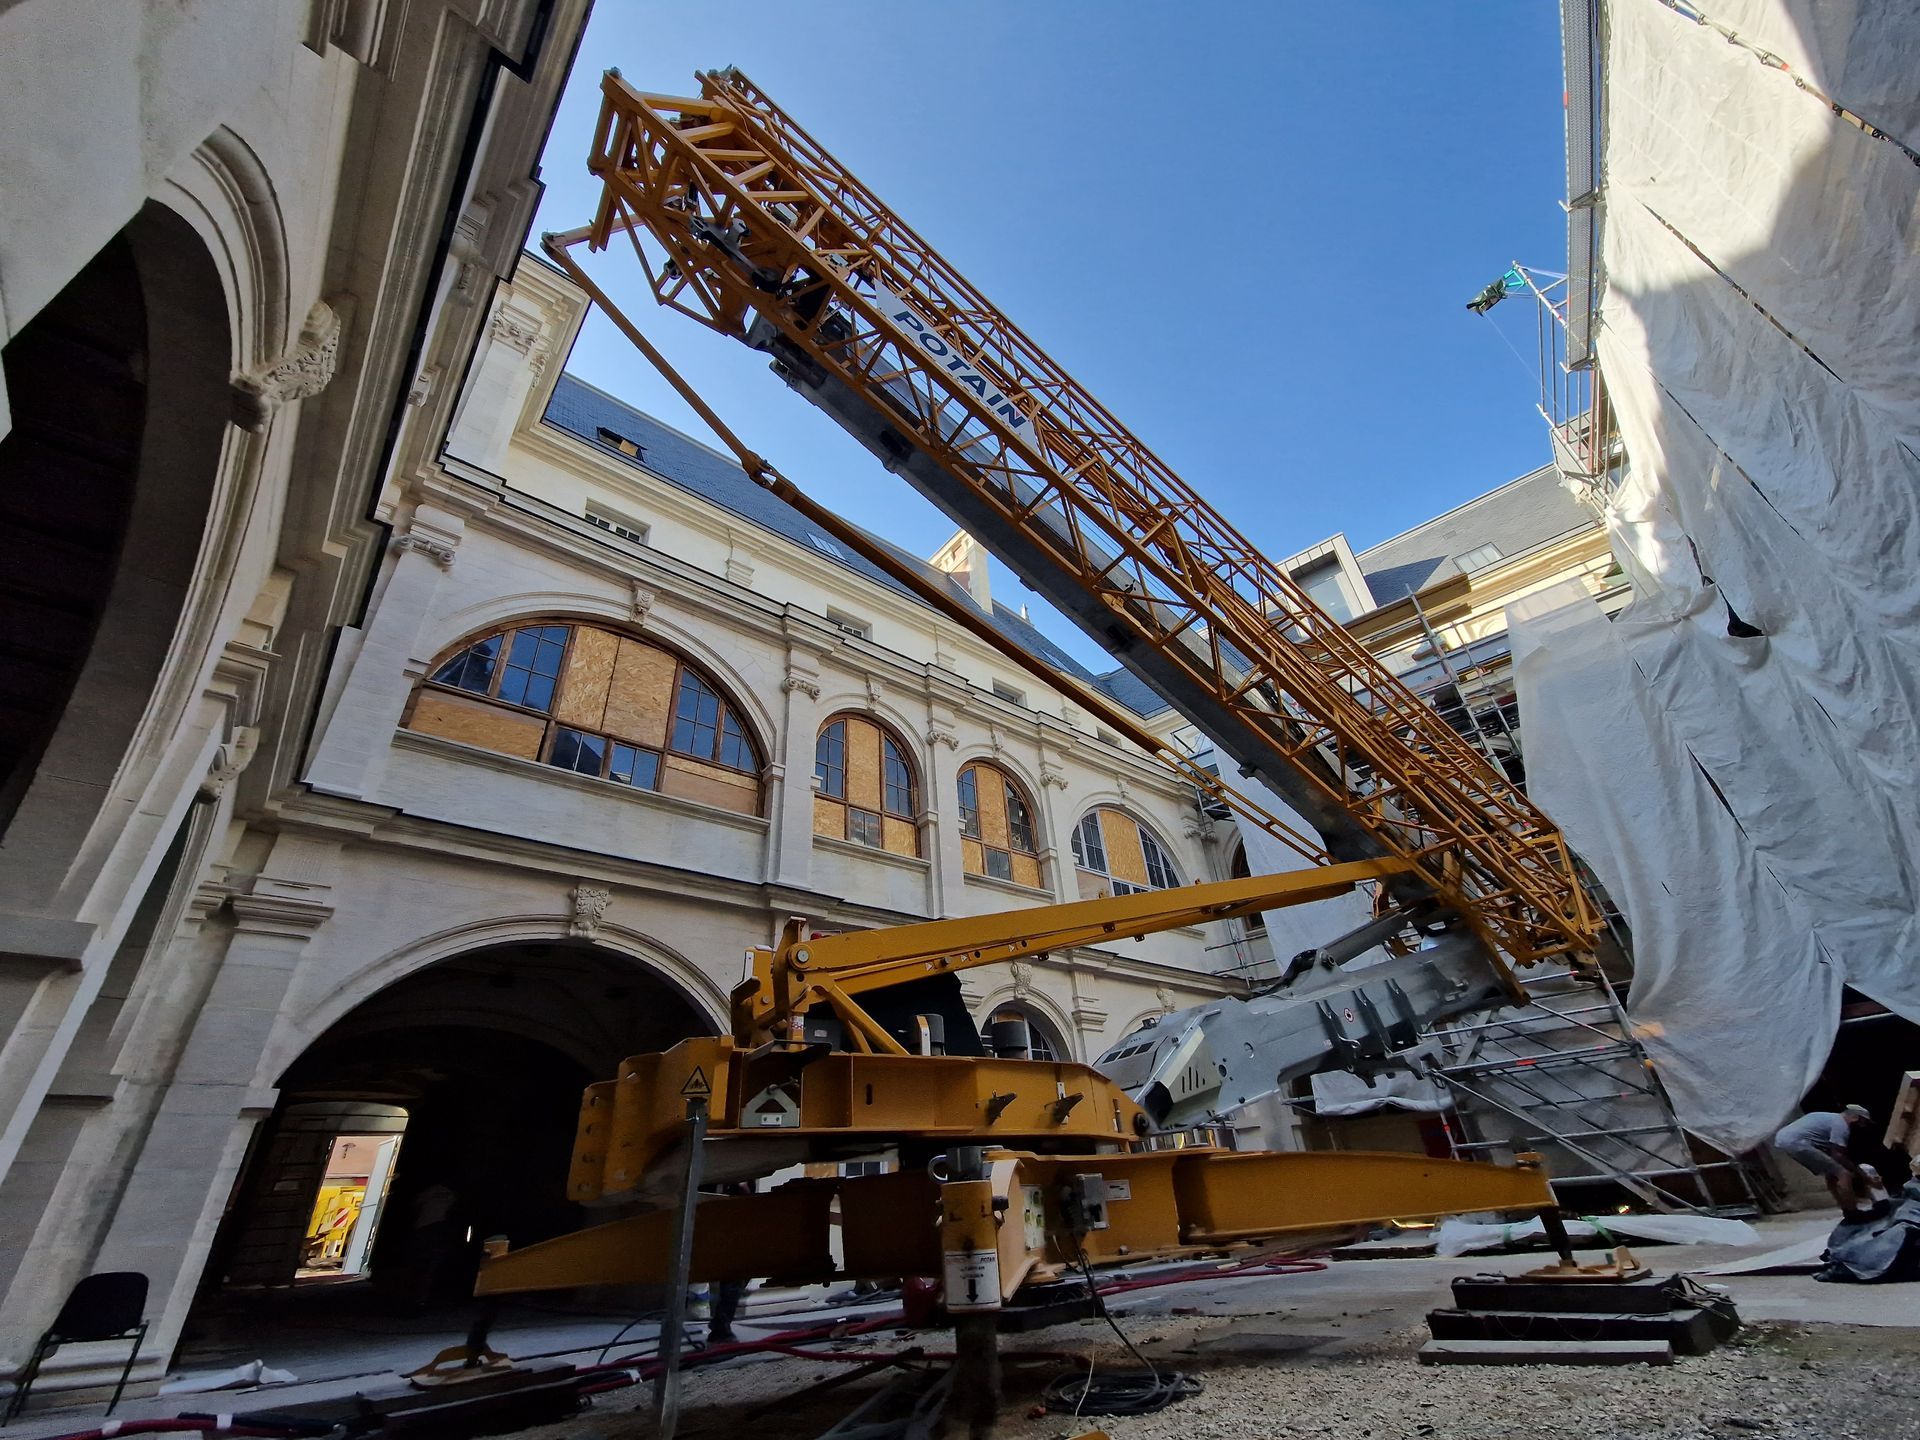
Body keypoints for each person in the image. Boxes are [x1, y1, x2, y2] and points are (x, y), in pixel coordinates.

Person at [1773, 1105, 1876, 1218]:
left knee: (1831, 1174)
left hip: (1784, 1139)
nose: (1863, 1125)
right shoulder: (1841, 1125)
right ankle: (1853, 1213)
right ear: (1855, 1117)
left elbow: (1833, 1154)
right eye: (1863, 1122)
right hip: (1797, 1143)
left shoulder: (1827, 1117)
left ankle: (1846, 1210)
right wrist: (1861, 1174)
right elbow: (1838, 1155)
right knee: (1844, 1174)